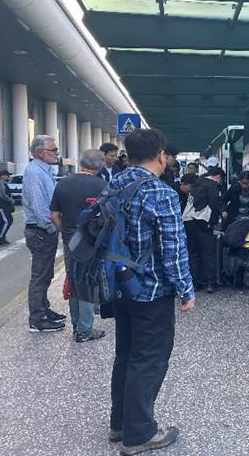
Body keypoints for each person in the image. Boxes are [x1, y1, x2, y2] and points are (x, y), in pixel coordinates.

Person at [108, 128, 195, 455]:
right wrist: (186, 289)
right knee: (149, 360)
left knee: (126, 355)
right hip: (152, 291)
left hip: (120, 286)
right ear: (161, 155)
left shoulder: (114, 184)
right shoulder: (161, 193)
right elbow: (173, 250)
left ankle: (120, 423)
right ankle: (139, 434)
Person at [50, 149, 107, 343]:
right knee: (89, 280)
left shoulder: (63, 183)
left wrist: (66, 232)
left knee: (74, 279)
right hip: (93, 241)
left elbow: (54, 216)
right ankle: (85, 328)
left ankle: (77, 324)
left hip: (70, 239)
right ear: (100, 166)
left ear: (81, 162)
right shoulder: (103, 186)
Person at [23, 135, 65, 333]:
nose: (57, 153)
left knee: (46, 273)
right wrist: (54, 228)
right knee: (40, 276)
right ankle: (37, 319)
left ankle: (44, 309)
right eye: (53, 150)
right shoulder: (34, 172)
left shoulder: (44, 171)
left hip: (45, 231)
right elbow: (40, 209)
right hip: (41, 231)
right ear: (40, 153)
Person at [183, 167, 223, 293]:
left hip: (187, 220)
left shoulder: (197, 182)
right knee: (208, 252)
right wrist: (214, 222)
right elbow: (214, 204)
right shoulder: (212, 185)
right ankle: (210, 283)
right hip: (202, 222)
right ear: (218, 176)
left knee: (193, 253)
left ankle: (195, 283)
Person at [0, 170, 14, 245]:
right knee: (7, 221)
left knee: (2, 221)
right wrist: (10, 200)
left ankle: (1, 238)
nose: (8, 177)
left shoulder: (2, 183)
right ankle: (0, 238)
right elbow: (2, 194)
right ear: (2, 176)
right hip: (1, 206)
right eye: (7, 175)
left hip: (3, 206)